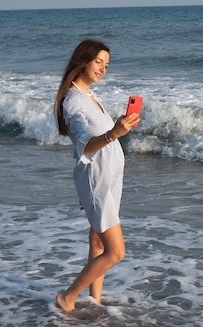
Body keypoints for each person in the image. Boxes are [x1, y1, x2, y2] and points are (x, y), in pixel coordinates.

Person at [53, 39, 139, 313]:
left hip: (108, 180)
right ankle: (68, 296)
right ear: (83, 61)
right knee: (116, 252)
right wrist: (115, 132)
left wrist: (117, 130)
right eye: (98, 62)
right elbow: (84, 145)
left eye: (107, 64)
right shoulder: (74, 101)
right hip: (98, 183)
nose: (103, 68)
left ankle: (95, 300)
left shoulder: (88, 95)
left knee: (97, 242)